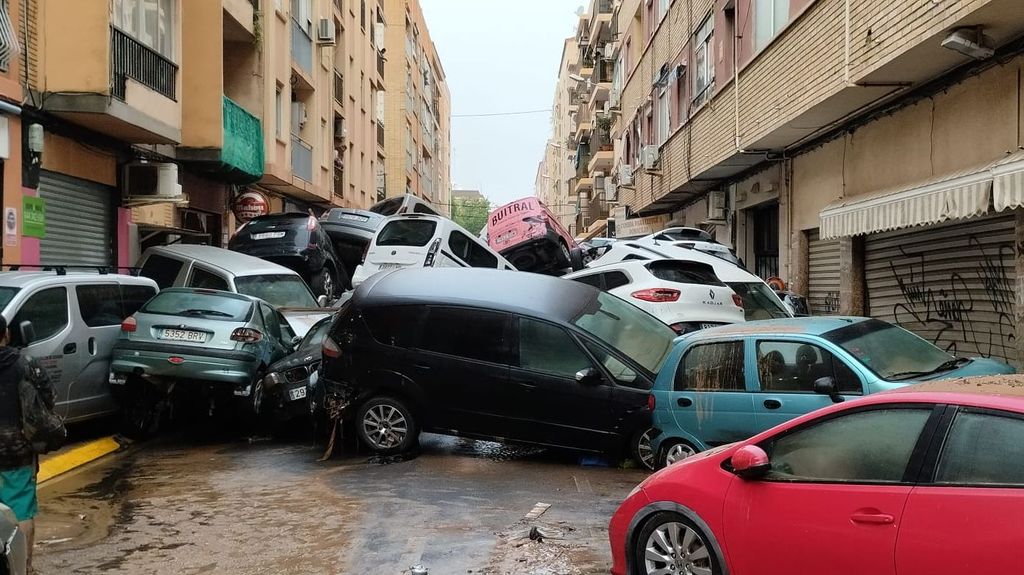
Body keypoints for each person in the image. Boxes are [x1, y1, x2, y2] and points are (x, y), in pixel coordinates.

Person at [0, 315, 54, 573]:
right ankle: (24, 567)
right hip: (18, 449)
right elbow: (47, 398)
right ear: (6, 334)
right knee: (21, 510)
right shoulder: (25, 362)